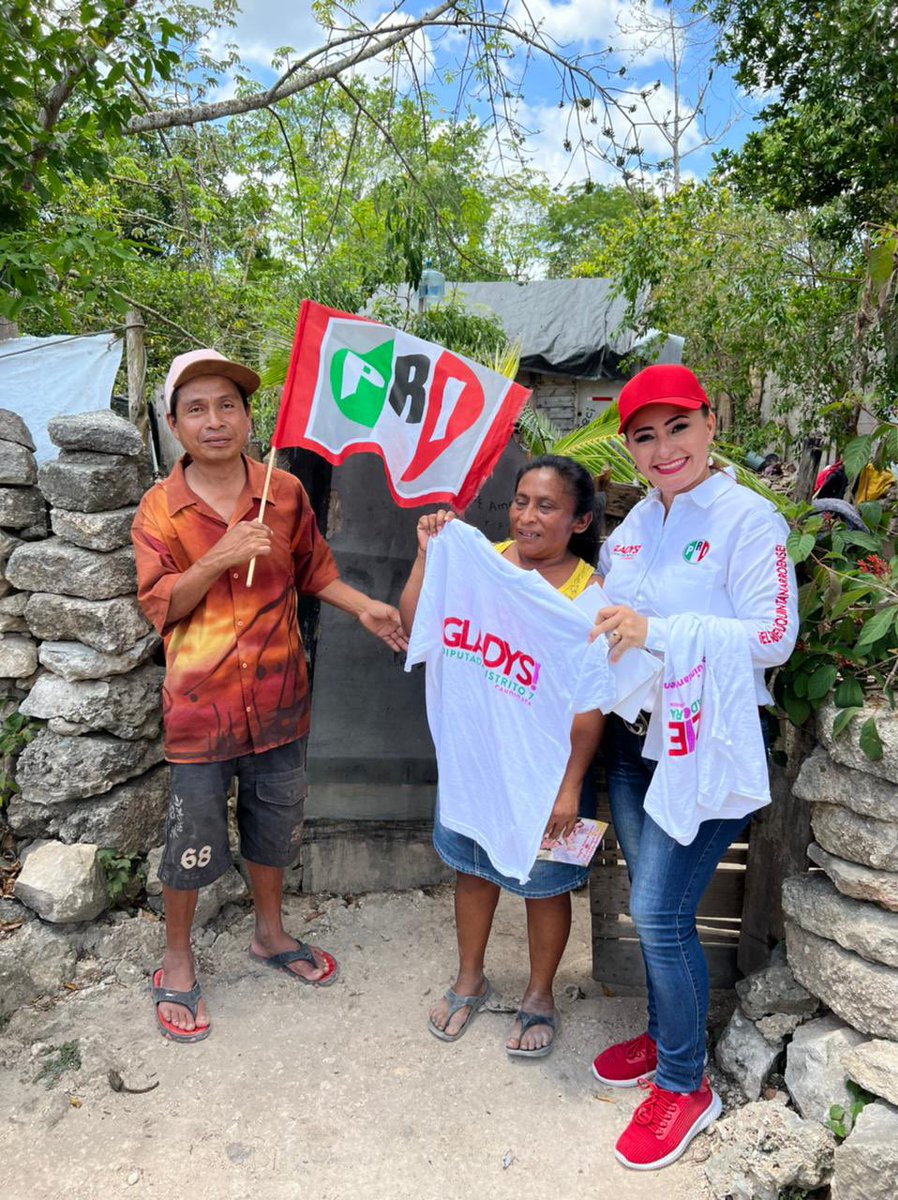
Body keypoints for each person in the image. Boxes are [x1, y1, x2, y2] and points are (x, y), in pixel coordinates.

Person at [132, 348, 406, 1042]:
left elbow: (314, 570)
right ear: (174, 423)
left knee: (275, 826)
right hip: (200, 709)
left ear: (249, 416)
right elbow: (160, 605)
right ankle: (176, 958)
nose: (215, 420)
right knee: (191, 838)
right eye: (196, 409)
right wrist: (222, 553)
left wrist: (365, 606)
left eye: (228, 405)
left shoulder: (282, 493)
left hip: (281, 700)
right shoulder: (160, 509)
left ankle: (271, 934)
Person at [588, 364, 798, 1169]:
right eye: (645, 435)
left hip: (706, 744)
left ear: (711, 424)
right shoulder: (635, 524)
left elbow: (773, 639)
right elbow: (610, 618)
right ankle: (664, 1036)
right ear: (631, 448)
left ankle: (685, 1084)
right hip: (633, 745)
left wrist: (658, 632)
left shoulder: (751, 520)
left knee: (660, 911)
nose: (664, 446)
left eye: (679, 427)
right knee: (657, 913)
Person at [399, 455, 604, 1058]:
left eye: (547, 507)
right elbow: (417, 625)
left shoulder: (588, 598)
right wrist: (425, 558)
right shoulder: (480, 563)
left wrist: (569, 788)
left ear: (579, 521)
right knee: (472, 869)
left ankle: (540, 995)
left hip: (550, 774)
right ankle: (470, 979)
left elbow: (589, 706)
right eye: (520, 501)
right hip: (478, 761)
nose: (527, 516)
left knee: (546, 886)